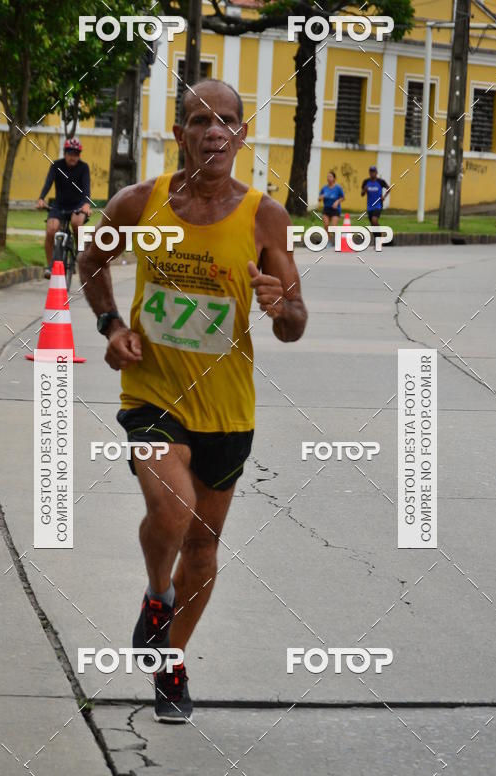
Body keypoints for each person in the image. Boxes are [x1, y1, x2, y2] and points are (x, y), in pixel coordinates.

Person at [79, 79, 307, 724]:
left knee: (203, 546)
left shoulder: (264, 216)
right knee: (172, 508)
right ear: (179, 134)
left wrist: (280, 305)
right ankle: (157, 596)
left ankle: (170, 662)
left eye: (227, 121)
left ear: (241, 135)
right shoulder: (138, 203)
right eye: (199, 120)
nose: (213, 131)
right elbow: (92, 263)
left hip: (229, 408)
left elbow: (295, 322)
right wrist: (111, 325)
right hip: (152, 391)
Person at [36, 138, 91, 278]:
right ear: (65, 153)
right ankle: (50, 266)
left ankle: (80, 253)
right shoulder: (56, 165)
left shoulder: (84, 167)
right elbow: (48, 182)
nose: (73, 157)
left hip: (78, 205)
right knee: (51, 230)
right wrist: (41, 198)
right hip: (59, 205)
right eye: (70, 153)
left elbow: (86, 188)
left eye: (76, 154)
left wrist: (86, 204)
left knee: (76, 223)